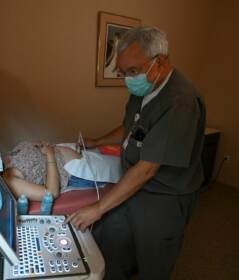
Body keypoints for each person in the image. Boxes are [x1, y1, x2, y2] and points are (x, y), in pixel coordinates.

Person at [66, 26, 206, 280]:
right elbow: (130, 128)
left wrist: (97, 208)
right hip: (136, 183)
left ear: (160, 62)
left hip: (165, 194)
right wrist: (96, 141)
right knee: (109, 238)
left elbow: (147, 168)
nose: (128, 79)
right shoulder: (145, 89)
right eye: (123, 73)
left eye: (132, 71)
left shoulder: (180, 102)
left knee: (153, 259)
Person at [3, 142, 118, 201]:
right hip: (77, 172)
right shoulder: (10, 181)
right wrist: (50, 154)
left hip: (79, 155)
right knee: (122, 173)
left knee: (121, 163)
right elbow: (51, 193)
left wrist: (39, 146)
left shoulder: (2, 160)